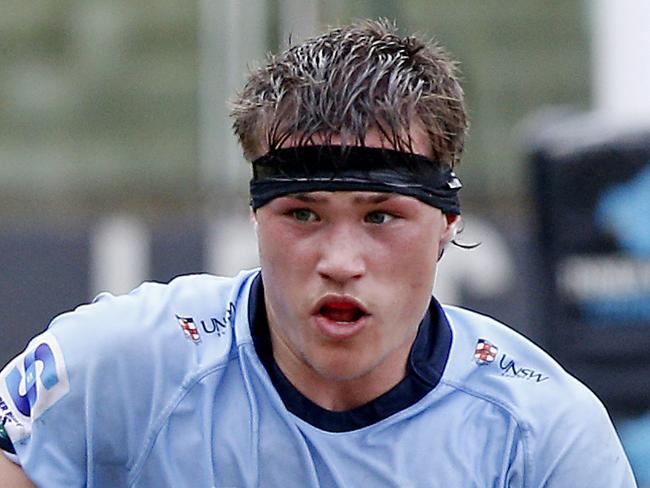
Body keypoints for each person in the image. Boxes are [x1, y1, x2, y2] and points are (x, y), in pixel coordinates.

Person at [0, 19, 637, 487]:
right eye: (302, 214)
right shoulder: (124, 361)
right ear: (256, 216)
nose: (339, 259)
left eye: (380, 216)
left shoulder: (542, 434)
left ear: (447, 225)